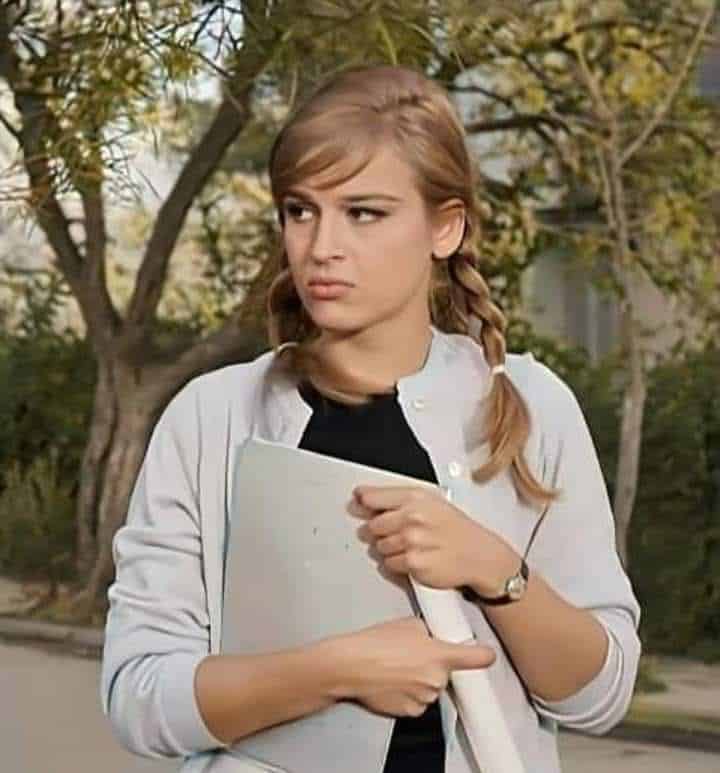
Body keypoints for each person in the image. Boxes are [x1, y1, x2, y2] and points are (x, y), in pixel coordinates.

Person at [100, 65, 641, 773]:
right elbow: (139, 698)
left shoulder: (530, 408)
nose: (321, 246)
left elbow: (600, 697)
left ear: (445, 227)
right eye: (301, 210)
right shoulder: (210, 419)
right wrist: (335, 670)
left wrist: (493, 569)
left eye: (363, 212)